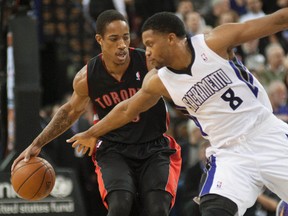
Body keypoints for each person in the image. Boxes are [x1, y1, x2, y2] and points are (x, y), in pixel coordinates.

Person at [64, 8, 288, 216]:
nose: (147, 52)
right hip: (229, 154)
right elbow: (125, 109)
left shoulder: (213, 43)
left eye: (150, 44)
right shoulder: (159, 80)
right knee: (214, 209)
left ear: (171, 38)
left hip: (266, 135)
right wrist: (93, 132)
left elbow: (277, 20)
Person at [11, 10, 182, 216]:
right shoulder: (87, 77)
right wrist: (37, 143)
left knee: (157, 208)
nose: (122, 45)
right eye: (114, 39)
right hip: (113, 149)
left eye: (126, 37)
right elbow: (70, 111)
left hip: (153, 146)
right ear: (99, 40)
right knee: (119, 204)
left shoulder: (148, 63)